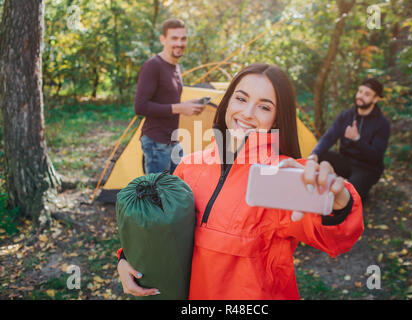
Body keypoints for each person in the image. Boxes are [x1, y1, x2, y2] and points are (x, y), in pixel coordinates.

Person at [117, 63, 364, 299]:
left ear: (277, 119)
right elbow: (163, 229)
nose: (246, 113)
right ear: (227, 102)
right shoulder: (188, 165)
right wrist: (126, 259)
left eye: (264, 107)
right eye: (241, 98)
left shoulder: (280, 176)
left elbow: (334, 236)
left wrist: (336, 200)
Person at [134, 18, 205, 174]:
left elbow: (166, 101)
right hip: (156, 143)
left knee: (179, 187)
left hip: (172, 141)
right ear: (163, 39)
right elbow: (140, 107)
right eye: (174, 38)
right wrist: (180, 108)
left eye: (183, 39)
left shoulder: (175, 66)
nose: (179, 43)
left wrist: (188, 105)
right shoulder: (153, 66)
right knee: (157, 195)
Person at [308, 78, 390, 203]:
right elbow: (329, 137)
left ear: (376, 99)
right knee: (319, 157)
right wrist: (315, 153)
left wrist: (357, 140)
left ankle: (361, 193)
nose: (361, 96)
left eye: (367, 94)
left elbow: (376, 156)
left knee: (349, 196)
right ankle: (313, 195)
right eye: (360, 92)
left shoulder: (382, 124)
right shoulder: (346, 116)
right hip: (346, 161)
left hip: (367, 167)